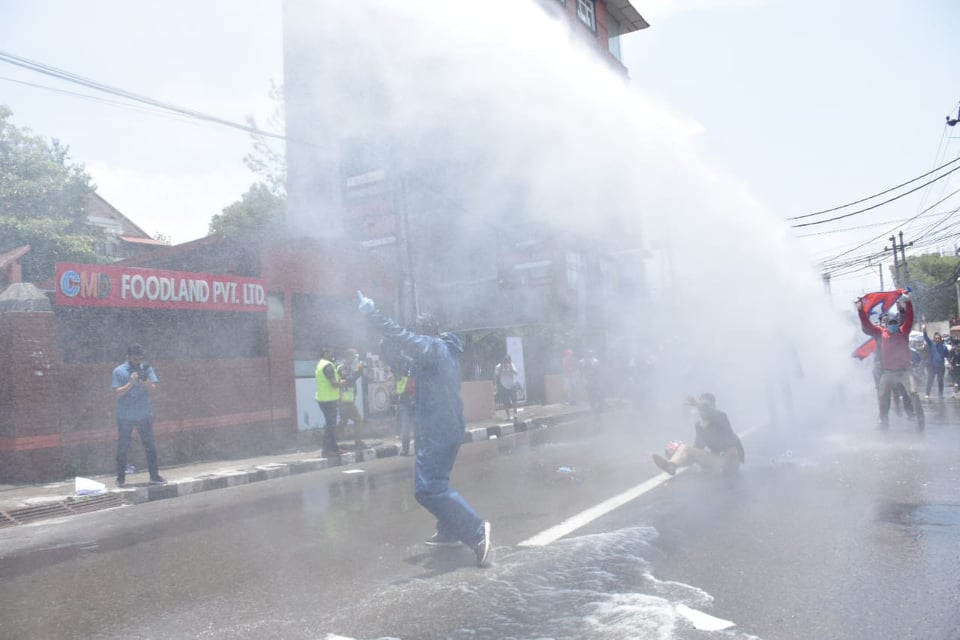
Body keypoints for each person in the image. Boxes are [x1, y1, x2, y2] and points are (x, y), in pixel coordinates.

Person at [358, 291, 491, 567]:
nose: (412, 344)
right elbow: (404, 365)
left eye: (415, 338)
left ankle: (476, 531)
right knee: (438, 482)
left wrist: (374, 317)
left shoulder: (433, 349)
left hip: (439, 429)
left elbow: (405, 338)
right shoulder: (436, 357)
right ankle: (450, 529)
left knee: (427, 489)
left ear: (424, 335)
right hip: (444, 427)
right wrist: (386, 346)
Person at [856, 293, 924, 431]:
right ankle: (883, 422)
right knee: (882, 396)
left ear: (897, 324)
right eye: (890, 323)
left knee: (914, 394)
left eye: (894, 323)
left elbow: (909, 318)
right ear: (886, 325)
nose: (892, 325)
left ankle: (920, 421)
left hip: (905, 371)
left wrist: (908, 302)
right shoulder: (881, 333)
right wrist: (860, 310)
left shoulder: (903, 331)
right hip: (888, 373)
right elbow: (867, 325)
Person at [111, 343, 165, 487]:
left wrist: (144, 382)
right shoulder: (119, 371)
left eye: (139, 358)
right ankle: (120, 478)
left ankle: (154, 476)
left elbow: (154, 389)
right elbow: (116, 394)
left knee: (150, 446)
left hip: (144, 414)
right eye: (134, 358)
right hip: (125, 416)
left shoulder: (146, 369)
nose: (137, 361)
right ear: (128, 357)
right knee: (123, 447)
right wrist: (131, 383)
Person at [652, 393, 744, 476]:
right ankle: (671, 466)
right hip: (718, 460)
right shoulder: (699, 426)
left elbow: (713, 412)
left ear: (712, 407)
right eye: (700, 407)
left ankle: (726, 467)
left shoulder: (721, 417)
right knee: (685, 449)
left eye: (704, 406)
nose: (701, 410)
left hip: (732, 458)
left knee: (731, 453)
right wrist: (677, 455)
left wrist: (698, 405)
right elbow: (697, 450)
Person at [315, 346, 345, 456]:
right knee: (330, 426)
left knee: (331, 425)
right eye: (332, 351)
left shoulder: (321, 363)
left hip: (323, 399)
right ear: (326, 353)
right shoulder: (328, 366)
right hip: (328, 400)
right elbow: (334, 383)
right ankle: (326, 450)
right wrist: (342, 382)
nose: (334, 353)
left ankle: (334, 448)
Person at [337, 348, 366, 449]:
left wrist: (360, 370)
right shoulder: (341, 367)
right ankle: (358, 442)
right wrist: (357, 370)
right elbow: (348, 379)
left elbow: (353, 378)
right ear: (348, 356)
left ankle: (331, 442)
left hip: (348, 397)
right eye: (354, 356)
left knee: (343, 421)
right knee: (359, 420)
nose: (355, 359)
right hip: (345, 398)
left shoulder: (349, 366)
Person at [922, 324, 949, 399]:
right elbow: (926, 338)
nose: (937, 339)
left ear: (940, 339)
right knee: (929, 381)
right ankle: (927, 394)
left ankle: (940, 394)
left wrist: (949, 363)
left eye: (938, 338)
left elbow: (947, 356)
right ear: (934, 339)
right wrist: (924, 331)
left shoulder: (944, 347)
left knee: (940, 381)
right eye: (936, 338)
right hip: (932, 366)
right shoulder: (932, 344)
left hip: (941, 367)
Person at [494, 354, 518, 420]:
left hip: (512, 385)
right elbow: (496, 377)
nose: (507, 364)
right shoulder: (499, 367)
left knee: (514, 400)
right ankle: (508, 415)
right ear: (503, 362)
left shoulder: (511, 365)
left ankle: (515, 413)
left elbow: (516, 373)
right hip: (503, 385)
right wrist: (495, 385)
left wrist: (511, 368)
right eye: (506, 362)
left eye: (508, 362)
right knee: (505, 401)